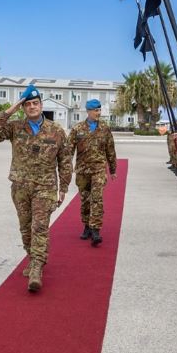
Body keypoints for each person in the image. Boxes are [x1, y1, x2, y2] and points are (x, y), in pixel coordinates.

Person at [0, 84, 72, 292]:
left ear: (42, 105)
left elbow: (65, 160)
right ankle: (34, 258)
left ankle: (36, 269)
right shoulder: (15, 127)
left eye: (35, 103)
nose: (32, 107)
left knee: (39, 227)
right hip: (21, 187)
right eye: (28, 105)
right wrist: (10, 109)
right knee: (25, 228)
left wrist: (64, 188)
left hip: (45, 187)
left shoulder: (56, 130)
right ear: (23, 108)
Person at [68, 98, 117, 246]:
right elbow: (68, 150)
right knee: (85, 200)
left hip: (98, 170)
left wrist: (113, 169)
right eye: (95, 110)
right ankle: (87, 226)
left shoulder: (105, 128)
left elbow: (110, 150)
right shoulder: (77, 129)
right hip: (82, 171)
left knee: (97, 198)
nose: (98, 113)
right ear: (88, 111)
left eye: (99, 110)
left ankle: (96, 230)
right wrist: (66, 165)